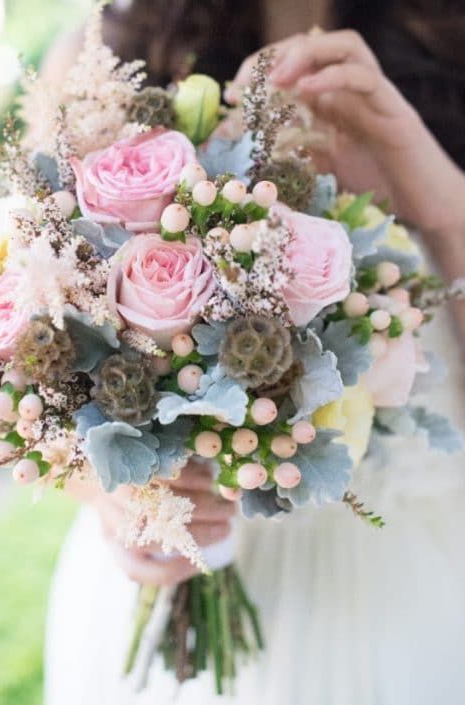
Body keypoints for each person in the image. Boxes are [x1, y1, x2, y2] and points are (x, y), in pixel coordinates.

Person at [43, 3, 465, 704]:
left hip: (403, 584)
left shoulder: (451, 51)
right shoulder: (96, 60)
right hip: (174, 569)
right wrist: (113, 491)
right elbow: (30, 361)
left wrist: (444, 206)